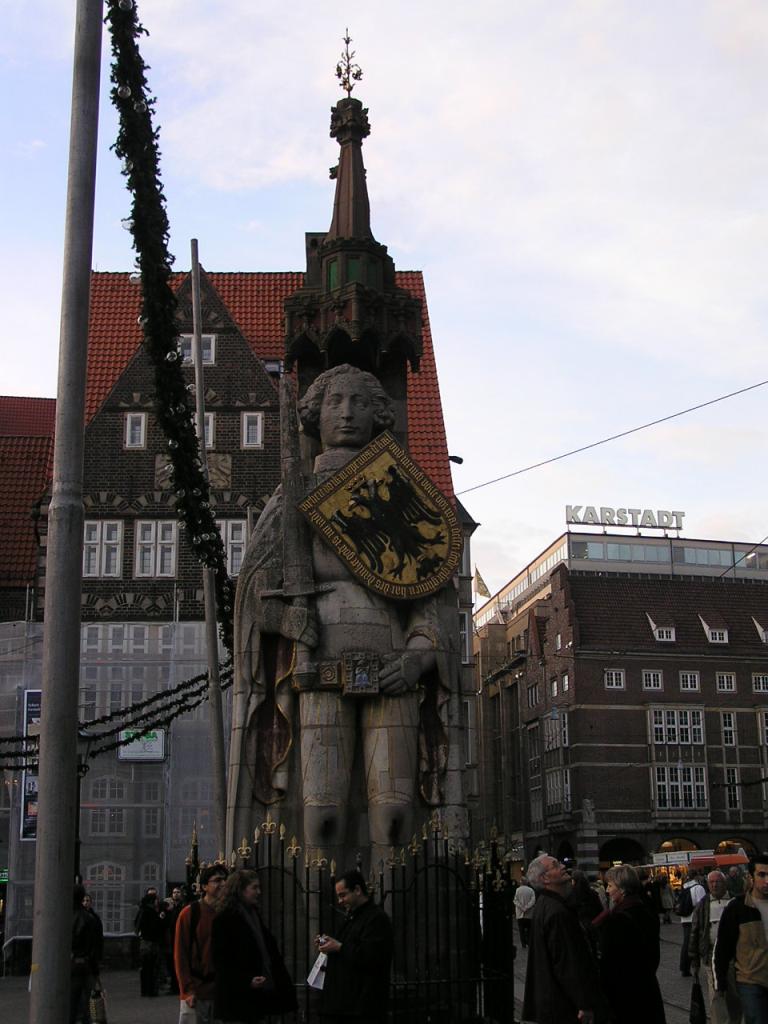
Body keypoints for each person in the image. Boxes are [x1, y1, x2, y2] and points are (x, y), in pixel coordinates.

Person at [229, 365, 457, 865]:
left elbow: (431, 598)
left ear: (379, 414)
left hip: (392, 668)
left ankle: (388, 903)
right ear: (316, 413)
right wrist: (285, 621)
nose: (348, 413)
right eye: (335, 401)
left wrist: (417, 658)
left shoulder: (401, 493)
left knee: (394, 817)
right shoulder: (296, 494)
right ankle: (317, 907)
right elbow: (253, 594)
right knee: (323, 814)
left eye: (359, 402)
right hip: (319, 669)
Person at [522, 854, 605, 1024]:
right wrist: (583, 1003)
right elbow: (568, 962)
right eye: (555, 865)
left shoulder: (546, 904)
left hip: (552, 1002)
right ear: (545, 878)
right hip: (563, 1006)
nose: (562, 866)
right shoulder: (556, 911)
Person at [211, 869, 296, 1023]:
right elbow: (221, 960)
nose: (259, 892)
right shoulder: (225, 918)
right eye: (254, 887)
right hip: (236, 999)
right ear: (240, 890)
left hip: (256, 996)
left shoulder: (253, 914)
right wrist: (245, 981)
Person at [316, 868, 394, 1024]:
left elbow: (371, 957)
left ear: (357, 890)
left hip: (361, 1007)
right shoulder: (353, 917)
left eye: (343, 895)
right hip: (344, 1005)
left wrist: (339, 947)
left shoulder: (376, 918)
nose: (340, 901)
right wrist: (329, 943)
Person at [593, 863, 666, 1024]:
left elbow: (609, 964)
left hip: (624, 996)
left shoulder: (616, 920)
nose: (607, 890)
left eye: (610, 885)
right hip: (648, 990)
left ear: (622, 889)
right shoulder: (646, 910)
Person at [714, 852, 768, 1024]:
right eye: (762, 875)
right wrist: (720, 982)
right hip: (750, 981)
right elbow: (723, 947)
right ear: (751, 877)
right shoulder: (737, 907)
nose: (767, 880)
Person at [175, 865, 228, 1023]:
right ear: (204, 886)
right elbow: (180, 955)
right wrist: (187, 990)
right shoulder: (190, 914)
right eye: (217, 880)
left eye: (225, 880)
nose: (223, 884)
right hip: (198, 991)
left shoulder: (228, 913)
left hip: (222, 991)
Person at [689, 870, 741, 1024]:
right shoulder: (702, 905)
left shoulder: (735, 901)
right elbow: (695, 932)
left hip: (734, 956)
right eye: (711, 882)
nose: (714, 885)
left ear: (725, 883)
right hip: (711, 955)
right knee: (716, 995)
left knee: (734, 994)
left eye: (718, 881)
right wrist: (694, 960)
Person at [71, 884, 103, 1024]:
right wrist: (95, 970)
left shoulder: (65, 917)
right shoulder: (90, 918)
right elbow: (95, 945)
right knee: (87, 1004)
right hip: (86, 964)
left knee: (71, 1003)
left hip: (71, 964)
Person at [677, 867, 707, 976]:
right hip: (694, 918)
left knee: (686, 943)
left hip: (685, 919)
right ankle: (695, 967)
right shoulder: (698, 888)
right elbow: (702, 904)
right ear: (697, 876)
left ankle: (685, 967)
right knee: (696, 943)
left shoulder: (684, 887)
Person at [136, 890, 166, 997]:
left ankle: (145, 990)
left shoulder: (142, 911)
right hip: (151, 943)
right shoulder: (151, 913)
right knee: (152, 967)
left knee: (145, 968)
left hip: (144, 942)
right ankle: (151, 990)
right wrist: (160, 919)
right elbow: (156, 927)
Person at [513, 878, 536, 948]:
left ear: (521, 883)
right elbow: (533, 900)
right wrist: (527, 907)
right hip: (529, 913)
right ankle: (529, 942)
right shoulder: (531, 890)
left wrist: (521, 907)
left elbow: (515, 900)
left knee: (521, 929)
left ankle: (523, 943)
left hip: (520, 913)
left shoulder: (517, 890)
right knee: (529, 929)